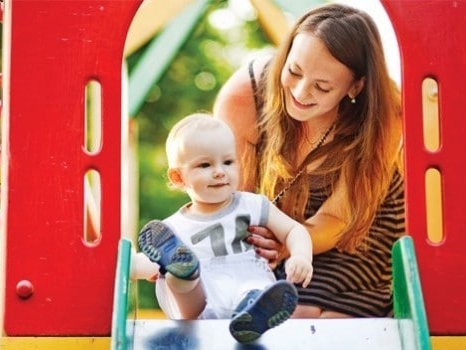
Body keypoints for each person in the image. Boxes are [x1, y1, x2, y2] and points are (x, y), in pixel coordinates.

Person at [213, 3, 405, 319]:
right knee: (272, 304)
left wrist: (290, 244)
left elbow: (337, 219)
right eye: (294, 71)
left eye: (322, 86)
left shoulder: (384, 113)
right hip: (282, 226)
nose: (301, 92)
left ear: (355, 86)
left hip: (358, 233)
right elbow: (235, 198)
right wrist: (259, 242)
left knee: (313, 316)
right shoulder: (245, 96)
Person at [134, 112, 313, 343]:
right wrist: (126, 268)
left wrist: (301, 256)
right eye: (205, 165)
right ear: (179, 177)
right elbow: (147, 264)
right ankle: (183, 271)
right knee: (177, 276)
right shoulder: (172, 228)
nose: (220, 171)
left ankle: (253, 314)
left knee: (254, 288)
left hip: (245, 281)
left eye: (228, 162)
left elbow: (293, 230)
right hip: (196, 305)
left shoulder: (252, 205)